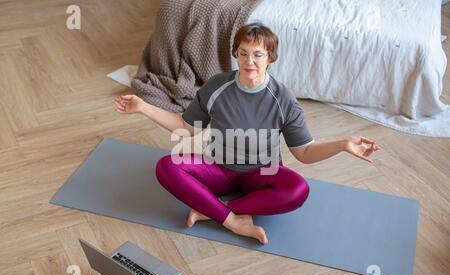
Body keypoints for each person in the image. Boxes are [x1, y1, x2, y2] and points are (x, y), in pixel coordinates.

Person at [114, 22, 381, 245]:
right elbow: (185, 128)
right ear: (235, 54)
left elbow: (305, 152)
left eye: (257, 54)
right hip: (219, 169)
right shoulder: (217, 86)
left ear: (270, 58)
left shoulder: (283, 98)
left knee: (298, 189)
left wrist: (343, 144)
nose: (248, 61)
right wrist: (144, 107)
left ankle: (211, 210)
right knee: (166, 166)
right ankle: (233, 221)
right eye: (242, 53)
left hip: (262, 174)